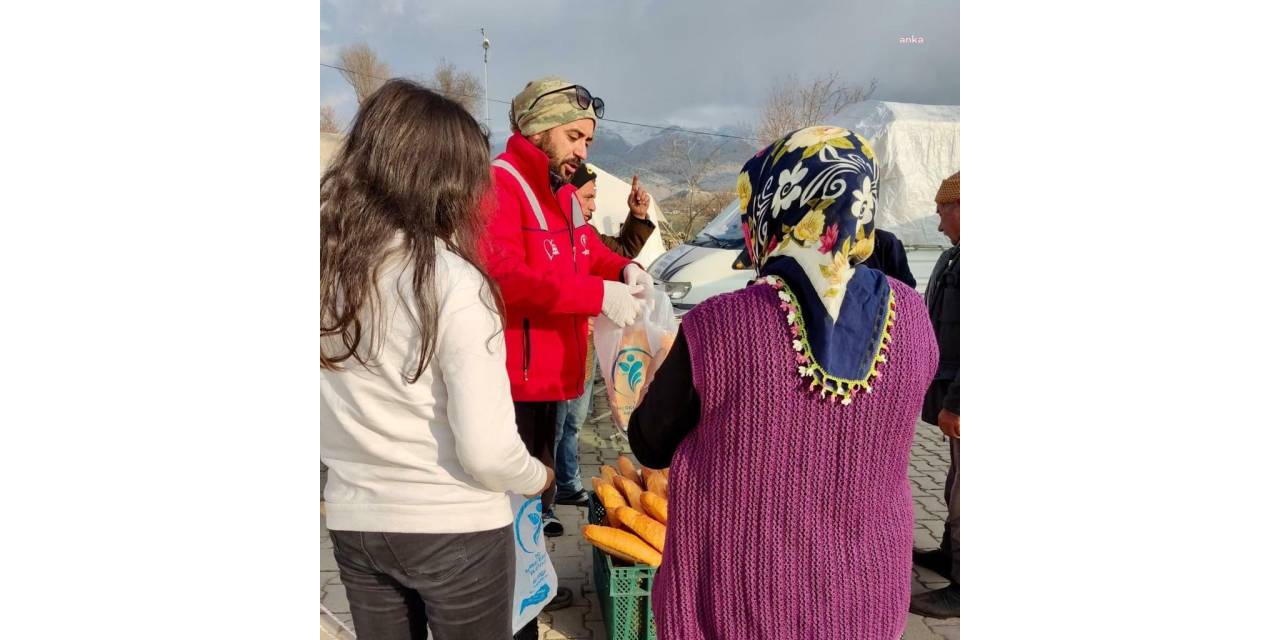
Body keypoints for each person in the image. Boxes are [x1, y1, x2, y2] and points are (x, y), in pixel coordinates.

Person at [629, 126, 939, 639]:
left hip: (744, 601)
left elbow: (650, 443)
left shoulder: (719, 326)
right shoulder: (912, 315)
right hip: (867, 593)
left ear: (776, 207)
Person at [320, 79, 554, 640]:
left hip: (356, 522)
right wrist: (538, 475)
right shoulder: (453, 282)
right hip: (457, 530)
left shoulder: (328, 273)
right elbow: (488, 451)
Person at [482, 76, 654, 625]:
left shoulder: (563, 192)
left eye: (588, 141)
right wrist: (595, 294)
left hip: (554, 379)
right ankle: (509, 611)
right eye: (575, 137)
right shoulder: (500, 184)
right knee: (511, 506)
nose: (582, 151)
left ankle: (528, 596)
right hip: (513, 385)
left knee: (534, 503)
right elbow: (504, 277)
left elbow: (588, 255)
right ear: (539, 129)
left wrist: (623, 268)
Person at [552, 165, 656, 508]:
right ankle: (544, 499)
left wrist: (636, 216)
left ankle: (566, 484)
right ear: (566, 195)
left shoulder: (587, 234)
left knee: (573, 423)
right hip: (557, 347)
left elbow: (619, 253)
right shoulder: (549, 238)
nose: (593, 206)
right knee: (553, 425)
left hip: (585, 346)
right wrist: (592, 302)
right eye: (589, 196)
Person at [910, 171, 961, 619]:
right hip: (951, 389)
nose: (939, 221)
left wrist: (959, 403)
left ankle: (964, 586)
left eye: (943, 209)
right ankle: (950, 554)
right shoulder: (959, 256)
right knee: (954, 480)